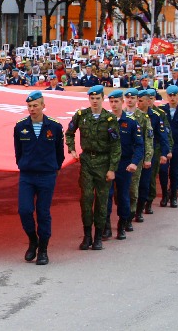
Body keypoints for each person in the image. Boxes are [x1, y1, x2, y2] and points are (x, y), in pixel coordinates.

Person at [65, 85, 120, 251]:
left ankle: (98, 237)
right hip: (87, 161)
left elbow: (116, 146)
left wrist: (112, 169)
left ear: (102, 99)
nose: (95, 101)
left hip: (103, 162)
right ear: (89, 99)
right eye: (92, 98)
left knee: (102, 201)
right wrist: (72, 149)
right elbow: (69, 133)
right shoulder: (81, 115)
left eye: (97, 98)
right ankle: (87, 235)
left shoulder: (109, 119)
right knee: (86, 199)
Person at [14, 91, 64, 266]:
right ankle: (32, 240)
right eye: (29, 106)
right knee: (24, 210)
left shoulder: (55, 127)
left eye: (35, 105)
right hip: (27, 175)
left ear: (43, 106)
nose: (32, 109)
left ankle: (43, 249)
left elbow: (59, 151)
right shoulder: (20, 126)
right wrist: (23, 164)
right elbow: (18, 151)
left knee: (43, 212)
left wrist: (55, 167)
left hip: (46, 175)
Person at [103, 90, 143, 241]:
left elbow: (139, 145)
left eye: (116, 101)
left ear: (122, 102)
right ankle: (106, 226)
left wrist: (134, 162)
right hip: (108, 163)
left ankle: (122, 224)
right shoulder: (105, 121)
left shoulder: (131, 122)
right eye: (111, 102)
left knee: (123, 195)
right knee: (106, 195)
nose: (114, 105)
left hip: (124, 164)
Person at [122, 88, 152, 233]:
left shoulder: (143, 117)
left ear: (136, 100)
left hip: (136, 158)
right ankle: (123, 213)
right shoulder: (118, 115)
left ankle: (129, 216)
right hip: (120, 157)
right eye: (127, 98)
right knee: (120, 190)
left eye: (133, 98)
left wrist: (148, 157)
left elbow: (148, 139)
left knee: (133, 189)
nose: (130, 100)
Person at [139, 89, 171, 218]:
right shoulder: (134, 115)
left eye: (141, 100)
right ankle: (138, 203)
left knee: (150, 179)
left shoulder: (157, 116)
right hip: (137, 151)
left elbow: (163, 136)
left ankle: (148, 202)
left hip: (152, 150)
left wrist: (165, 152)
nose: (138, 103)